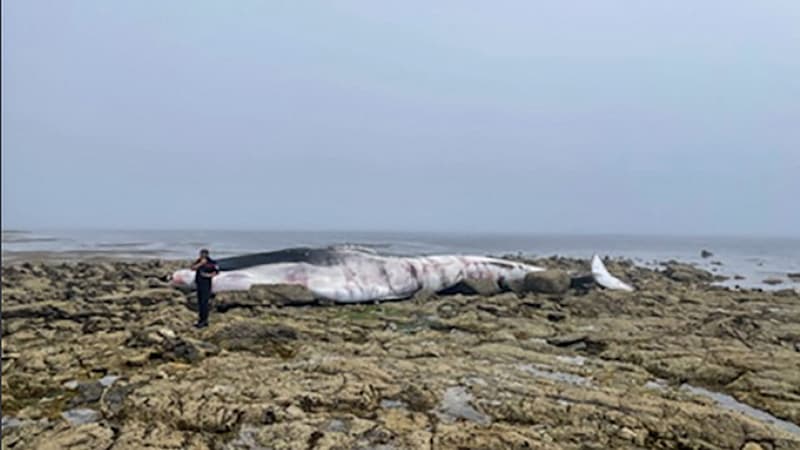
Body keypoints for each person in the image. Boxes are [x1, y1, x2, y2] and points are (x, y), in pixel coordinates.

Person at [190, 248, 219, 328]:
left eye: (203, 254)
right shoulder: (198, 261)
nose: (201, 256)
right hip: (199, 284)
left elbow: (216, 272)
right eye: (201, 254)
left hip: (206, 284)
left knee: (204, 303)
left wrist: (208, 275)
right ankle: (200, 320)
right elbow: (192, 268)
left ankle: (204, 321)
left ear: (207, 254)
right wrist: (200, 264)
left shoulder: (211, 262)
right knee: (199, 303)